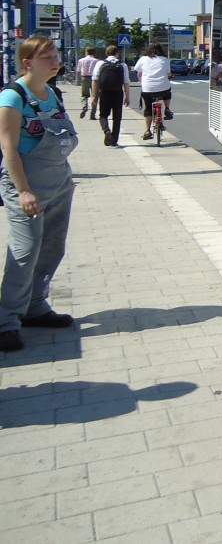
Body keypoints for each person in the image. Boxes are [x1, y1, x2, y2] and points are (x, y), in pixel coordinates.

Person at [0, 37, 79, 352]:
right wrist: (23, 191)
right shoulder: (12, 96)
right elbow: (8, 148)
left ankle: (35, 306)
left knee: (51, 247)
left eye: (55, 55)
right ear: (28, 62)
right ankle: (6, 322)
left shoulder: (53, 94)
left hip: (59, 181)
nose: (55, 60)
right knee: (25, 251)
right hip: (27, 185)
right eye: (47, 57)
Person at [92, 45, 132, 146]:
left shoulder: (100, 63)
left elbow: (95, 80)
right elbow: (126, 82)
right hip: (118, 93)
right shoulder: (122, 65)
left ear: (106, 53)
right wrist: (127, 97)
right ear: (117, 53)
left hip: (104, 92)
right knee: (117, 117)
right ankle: (114, 140)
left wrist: (94, 96)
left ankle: (106, 131)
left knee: (103, 115)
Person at [133, 43, 172, 141]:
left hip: (147, 89)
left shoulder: (143, 59)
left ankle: (147, 131)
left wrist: (141, 78)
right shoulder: (164, 60)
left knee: (148, 108)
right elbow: (169, 73)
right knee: (168, 92)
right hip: (163, 88)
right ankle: (167, 108)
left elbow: (137, 70)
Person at [75, 46, 100, 119]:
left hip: (84, 78)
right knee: (95, 96)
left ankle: (84, 106)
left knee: (84, 95)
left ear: (86, 52)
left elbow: (78, 70)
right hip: (94, 79)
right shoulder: (97, 61)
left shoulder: (81, 60)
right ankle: (93, 114)